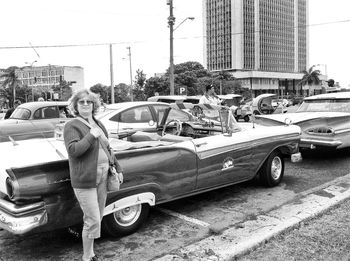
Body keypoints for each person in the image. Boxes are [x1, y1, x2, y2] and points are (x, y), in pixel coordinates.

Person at [63, 89, 123, 261]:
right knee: (93, 219)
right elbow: (74, 151)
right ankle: (86, 257)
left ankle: (90, 253)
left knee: (96, 217)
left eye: (89, 102)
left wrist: (118, 169)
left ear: (94, 105)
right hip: (85, 179)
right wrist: (91, 135)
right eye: (81, 102)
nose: (85, 104)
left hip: (103, 176)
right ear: (75, 105)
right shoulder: (72, 125)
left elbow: (108, 148)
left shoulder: (98, 123)